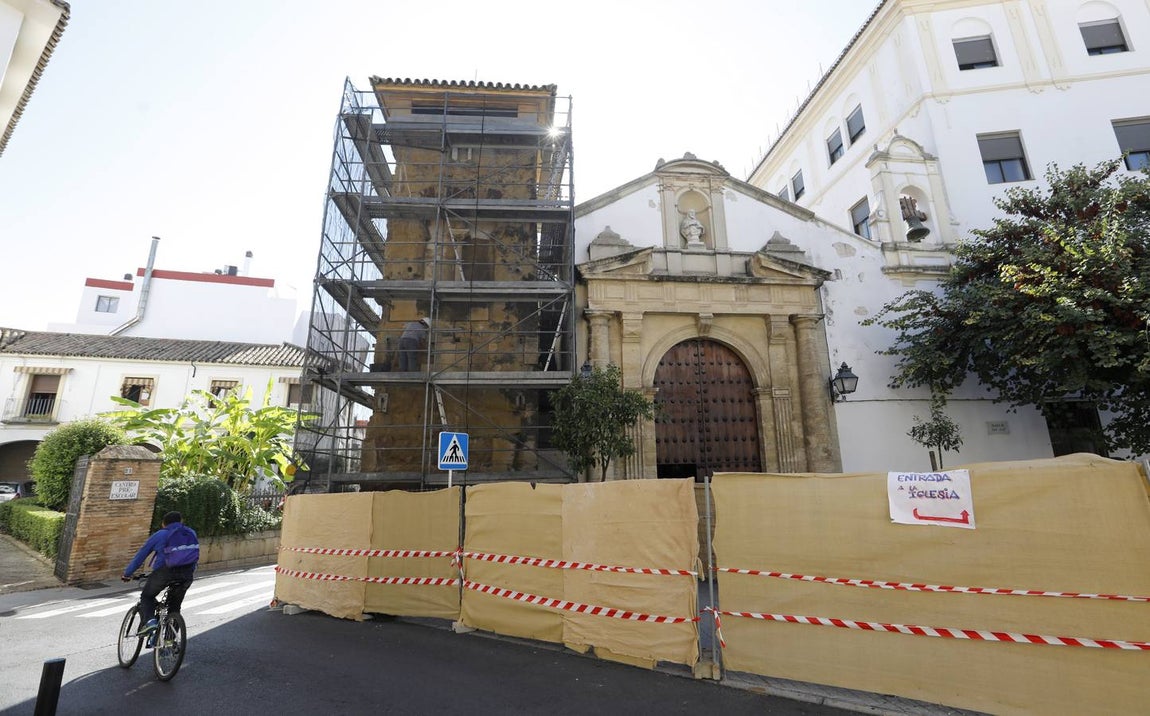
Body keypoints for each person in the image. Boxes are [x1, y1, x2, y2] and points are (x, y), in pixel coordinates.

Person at [121, 511, 198, 636]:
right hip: (186, 574)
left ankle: (150, 621)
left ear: (163, 524)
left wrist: (127, 573)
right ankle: (169, 640)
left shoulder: (160, 535)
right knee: (175, 607)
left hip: (164, 573)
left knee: (147, 596)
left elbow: (141, 555)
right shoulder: (190, 533)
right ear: (181, 521)